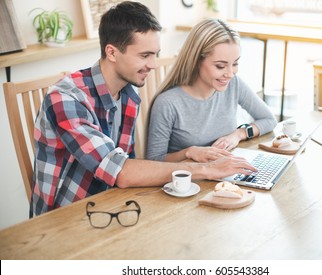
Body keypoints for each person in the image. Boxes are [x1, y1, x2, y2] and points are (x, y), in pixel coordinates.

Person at [31, 2, 256, 216]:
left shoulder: (129, 93)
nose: (154, 65)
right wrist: (207, 169)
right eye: (144, 55)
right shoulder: (66, 99)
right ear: (111, 52)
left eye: (154, 54)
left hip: (114, 206)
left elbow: (131, 166)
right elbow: (122, 172)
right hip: (65, 218)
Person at [146, 19, 277, 163]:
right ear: (196, 61)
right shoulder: (168, 103)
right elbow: (154, 160)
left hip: (224, 173)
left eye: (235, 63)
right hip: (188, 182)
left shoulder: (234, 84)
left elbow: (269, 119)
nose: (230, 73)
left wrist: (238, 134)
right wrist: (189, 152)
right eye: (220, 66)